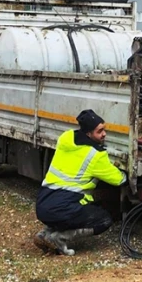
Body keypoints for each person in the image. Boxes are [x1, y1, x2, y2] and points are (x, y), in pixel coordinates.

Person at [33, 109, 126, 256]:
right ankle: (58, 238)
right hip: (62, 207)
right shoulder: (95, 155)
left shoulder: (66, 139)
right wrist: (123, 174)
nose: (104, 134)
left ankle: (44, 233)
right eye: (99, 131)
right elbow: (119, 179)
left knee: (72, 211)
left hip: (43, 204)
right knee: (104, 219)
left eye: (104, 129)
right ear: (88, 134)